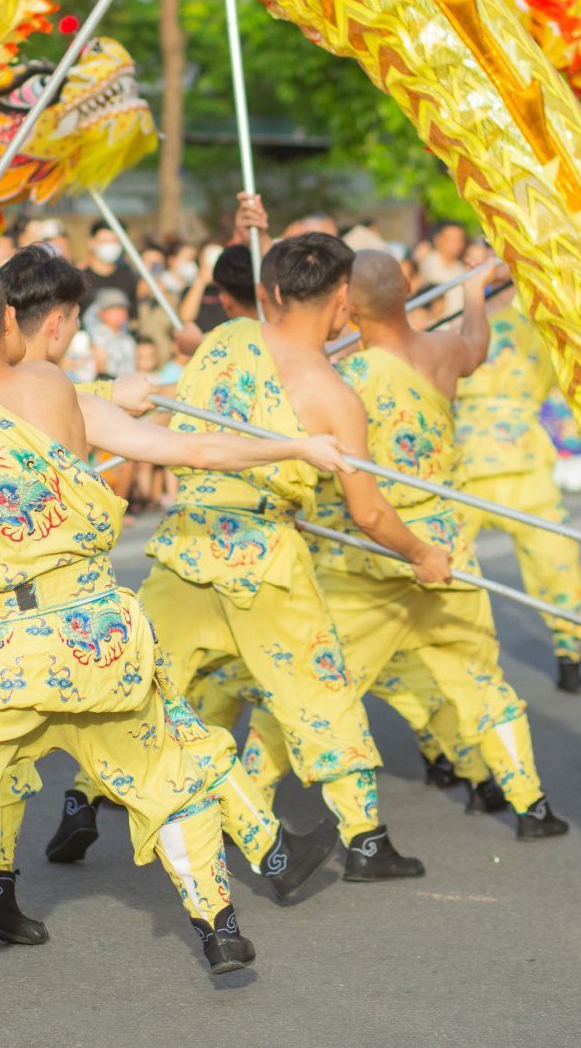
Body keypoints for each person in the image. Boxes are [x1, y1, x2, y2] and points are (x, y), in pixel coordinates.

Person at [0, 257, 252, 1022]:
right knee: (163, 770)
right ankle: (217, 920)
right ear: (8, 325)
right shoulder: (56, 388)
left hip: (6, 647)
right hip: (104, 627)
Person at [131, 234, 448, 881]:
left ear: (270, 291)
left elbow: (180, 406)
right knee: (319, 694)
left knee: (137, 684)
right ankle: (364, 839)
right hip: (264, 560)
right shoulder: (334, 395)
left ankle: (76, 812)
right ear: (342, 300)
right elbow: (369, 512)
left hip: (185, 543)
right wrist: (421, 552)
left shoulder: (226, 339)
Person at [276, 250, 570, 839]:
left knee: (322, 683)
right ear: (408, 289)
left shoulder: (345, 379)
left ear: (347, 307)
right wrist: (472, 296)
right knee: (480, 676)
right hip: (445, 541)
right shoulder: (440, 354)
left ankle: (270, 815)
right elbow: (476, 347)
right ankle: (530, 805)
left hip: (372, 550)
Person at [450, 267, 581, 695]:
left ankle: (569, 655)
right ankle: (455, 663)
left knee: (556, 564)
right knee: (446, 563)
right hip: (467, 462)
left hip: (523, 462)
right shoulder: (458, 314)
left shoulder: (541, 322)